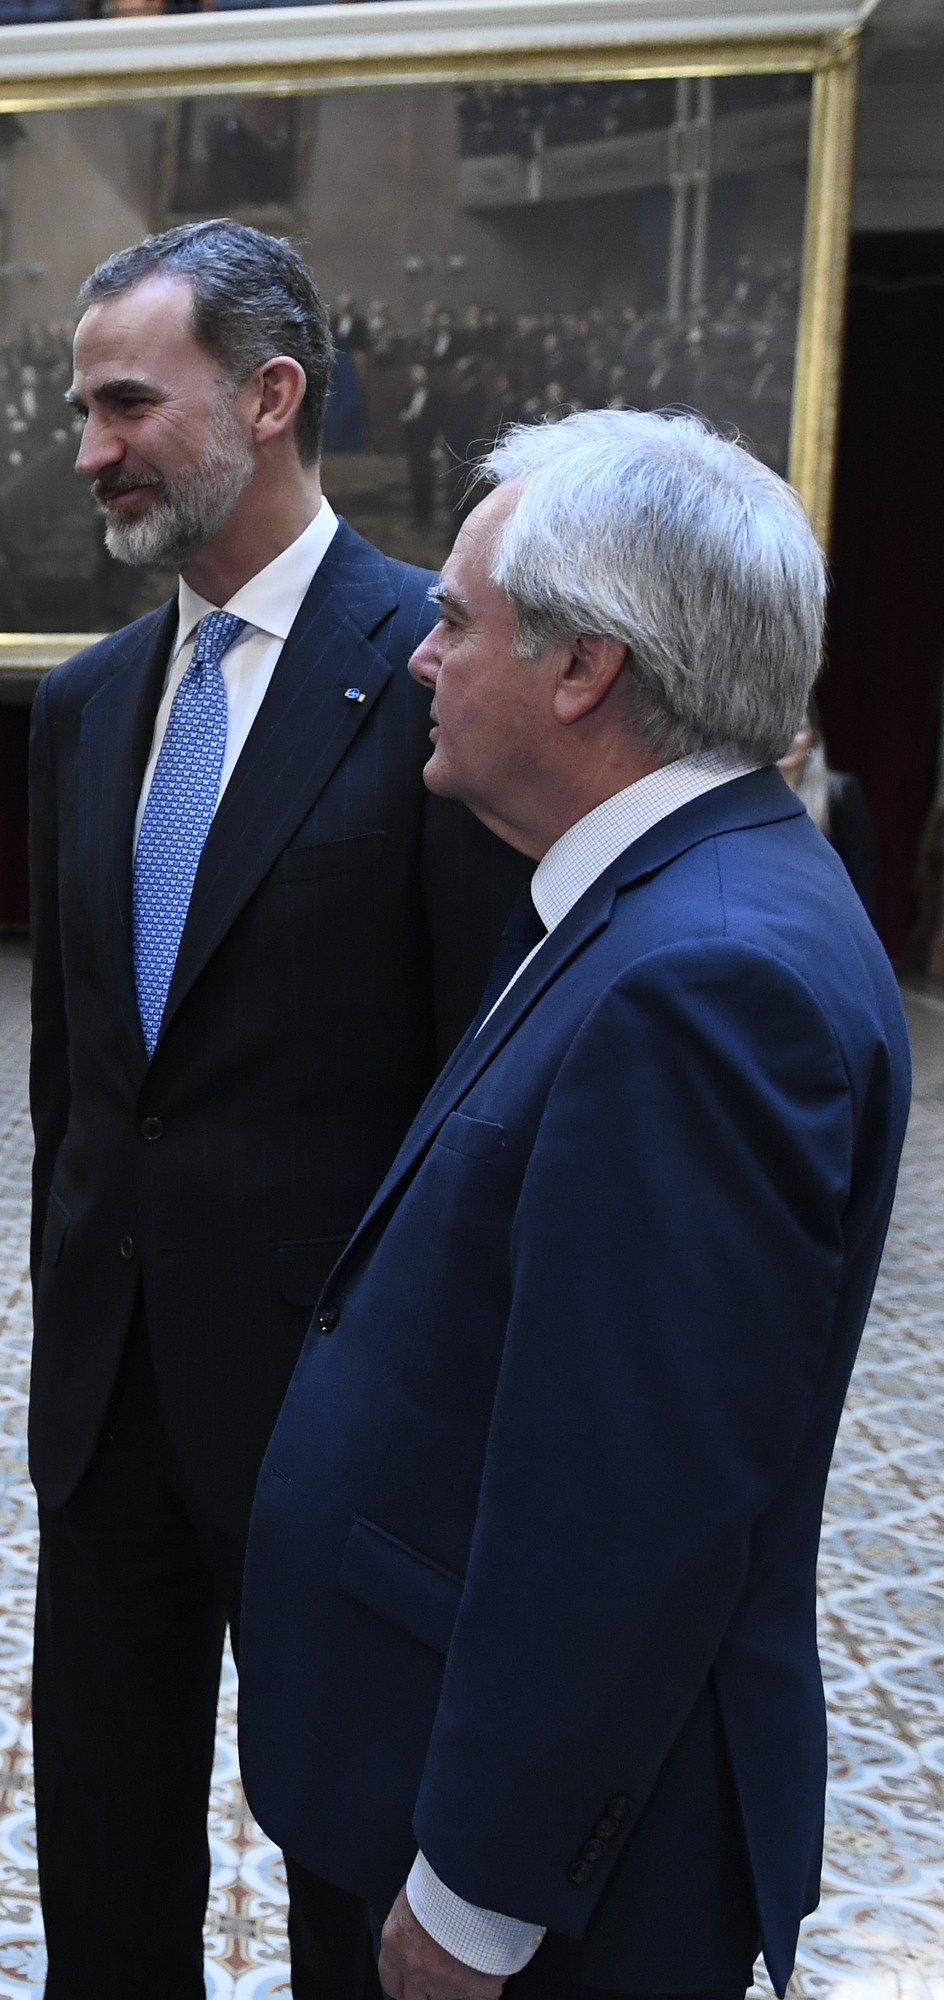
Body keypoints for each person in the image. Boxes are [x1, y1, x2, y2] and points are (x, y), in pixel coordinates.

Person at [241, 409, 908, 2000]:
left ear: (584, 669)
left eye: (457, 624)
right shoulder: (661, 895)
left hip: (543, 1892)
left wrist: (477, 1897)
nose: (421, 659)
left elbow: (631, 1504)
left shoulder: (709, 978)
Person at [26, 219, 528, 1998]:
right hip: (107, 1415)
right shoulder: (86, 709)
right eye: (80, 408)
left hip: (338, 1419)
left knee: (347, 1877)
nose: (88, 448)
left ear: (270, 393)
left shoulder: (431, 678)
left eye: (123, 404)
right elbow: (77, 1091)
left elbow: (483, 1086)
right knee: (101, 1862)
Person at [780, 706, 878, 927]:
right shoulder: (747, 799)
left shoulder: (841, 795)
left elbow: (859, 879)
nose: (788, 740)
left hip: (824, 922)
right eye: (781, 730)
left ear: (812, 740)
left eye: (798, 730)